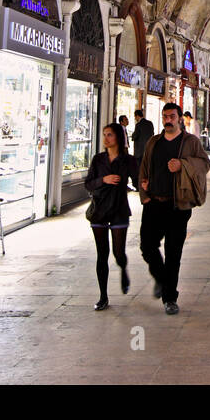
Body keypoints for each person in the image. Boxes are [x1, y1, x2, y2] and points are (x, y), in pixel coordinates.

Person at [138, 102, 210, 314]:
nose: (168, 120)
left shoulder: (190, 142)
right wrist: (144, 197)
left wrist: (183, 164)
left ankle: (170, 298)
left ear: (180, 118)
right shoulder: (154, 142)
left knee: (173, 252)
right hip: (153, 203)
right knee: (147, 246)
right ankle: (162, 279)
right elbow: (143, 168)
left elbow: (204, 164)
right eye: (165, 116)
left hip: (178, 205)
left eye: (172, 116)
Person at [87, 121, 140, 310]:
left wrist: (148, 192)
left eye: (109, 135)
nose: (105, 139)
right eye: (104, 134)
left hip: (118, 209)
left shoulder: (128, 160)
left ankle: (123, 268)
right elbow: (88, 184)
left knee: (118, 253)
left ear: (118, 137)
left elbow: (139, 180)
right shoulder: (98, 159)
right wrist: (104, 179)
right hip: (99, 211)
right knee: (102, 255)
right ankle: (103, 296)